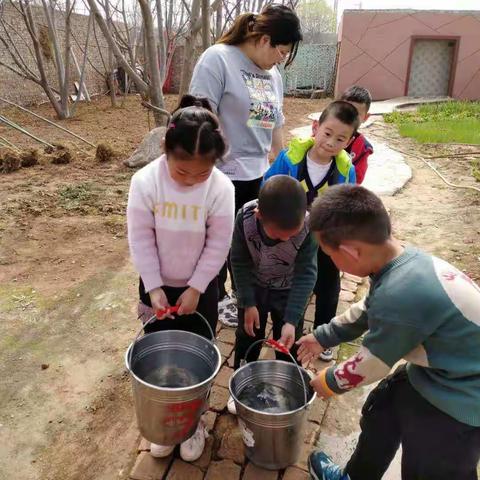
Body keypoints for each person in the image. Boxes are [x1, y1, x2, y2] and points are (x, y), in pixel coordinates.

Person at [296, 184, 480, 480]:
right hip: (439, 372)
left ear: (350, 252)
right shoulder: (400, 262)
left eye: (328, 254)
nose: (330, 261)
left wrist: (326, 382)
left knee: (431, 467)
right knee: (381, 410)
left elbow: (373, 363)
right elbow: (370, 309)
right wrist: (323, 336)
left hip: (463, 395)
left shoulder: (401, 294)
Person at [126, 95, 234, 462]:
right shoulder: (145, 182)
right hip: (155, 285)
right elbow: (140, 239)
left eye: (201, 173)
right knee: (158, 357)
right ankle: (163, 422)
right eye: (181, 171)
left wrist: (196, 287)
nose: (191, 181)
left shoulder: (221, 188)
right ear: (164, 150)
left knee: (198, 357)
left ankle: (194, 422)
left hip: (199, 289)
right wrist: (154, 287)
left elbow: (219, 245)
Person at [189, 4, 303, 328]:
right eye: (281, 51)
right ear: (264, 39)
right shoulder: (218, 59)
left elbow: (275, 126)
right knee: (215, 241)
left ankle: (241, 294)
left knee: (245, 242)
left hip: (259, 175)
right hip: (219, 174)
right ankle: (216, 297)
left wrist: (281, 170)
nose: (281, 59)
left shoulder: (273, 75)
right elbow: (198, 118)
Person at [264, 100, 359, 361]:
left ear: (349, 142)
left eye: (340, 139)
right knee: (289, 283)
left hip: (325, 240)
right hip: (292, 239)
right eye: (327, 133)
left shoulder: (345, 169)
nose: (331, 142)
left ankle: (323, 335)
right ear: (315, 128)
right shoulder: (289, 159)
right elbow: (268, 186)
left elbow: (348, 204)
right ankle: (286, 329)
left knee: (328, 285)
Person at [227, 175, 317, 414]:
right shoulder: (245, 218)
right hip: (254, 287)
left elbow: (306, 273)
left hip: (287, 290)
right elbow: (238, 260)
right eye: (279, 236)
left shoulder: (308, 226)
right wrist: (247, 302)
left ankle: (286, 388)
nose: (286, 239)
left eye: (292, 233)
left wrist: (291, 319)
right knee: (247, 334)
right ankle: (240, 384)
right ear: (260, 216)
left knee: (288, 341)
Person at [340, 85, 374, 184]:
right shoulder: (323, 133)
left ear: (365, 117)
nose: (349, 117)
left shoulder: (362, 148)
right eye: (345, 111)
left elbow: (356, 180)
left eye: (355, 114)